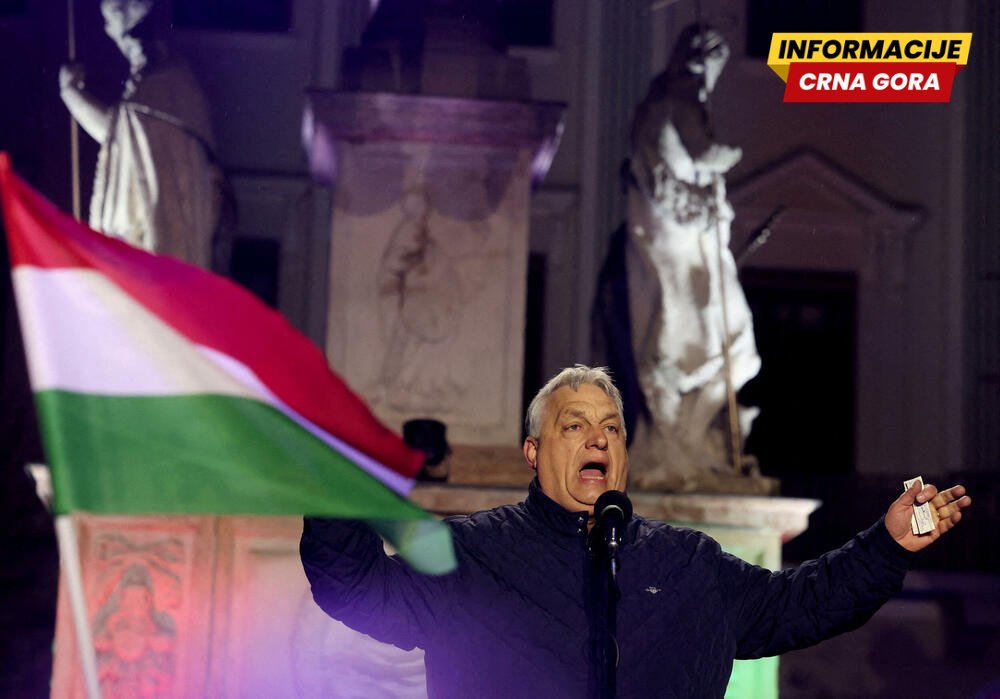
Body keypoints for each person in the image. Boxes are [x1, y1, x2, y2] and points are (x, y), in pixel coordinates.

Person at [300, 365, 971, 698]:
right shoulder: (471, 553)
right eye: (574, 425)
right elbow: (355, 588)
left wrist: (886, 544)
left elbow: (801, 604)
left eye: (611, 428)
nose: (597, 438)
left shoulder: (688, 562)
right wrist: (337, 490)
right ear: (533, 452)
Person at [626, 25, 761, 492]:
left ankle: (688, 444)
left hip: (680, 237)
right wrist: (726, 157)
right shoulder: (679, 105)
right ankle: (682, 446)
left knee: (725, 348)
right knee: (729, 347)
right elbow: (706, 154)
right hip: (685, 243)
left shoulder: (659, 107)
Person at [59, 0, 222, 268]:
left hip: (150, 247)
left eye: (110, 22)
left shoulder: (160, 89)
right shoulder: (175, 89)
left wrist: (72, 93)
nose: (108, 30)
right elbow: (124, 134)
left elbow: (117, 134)